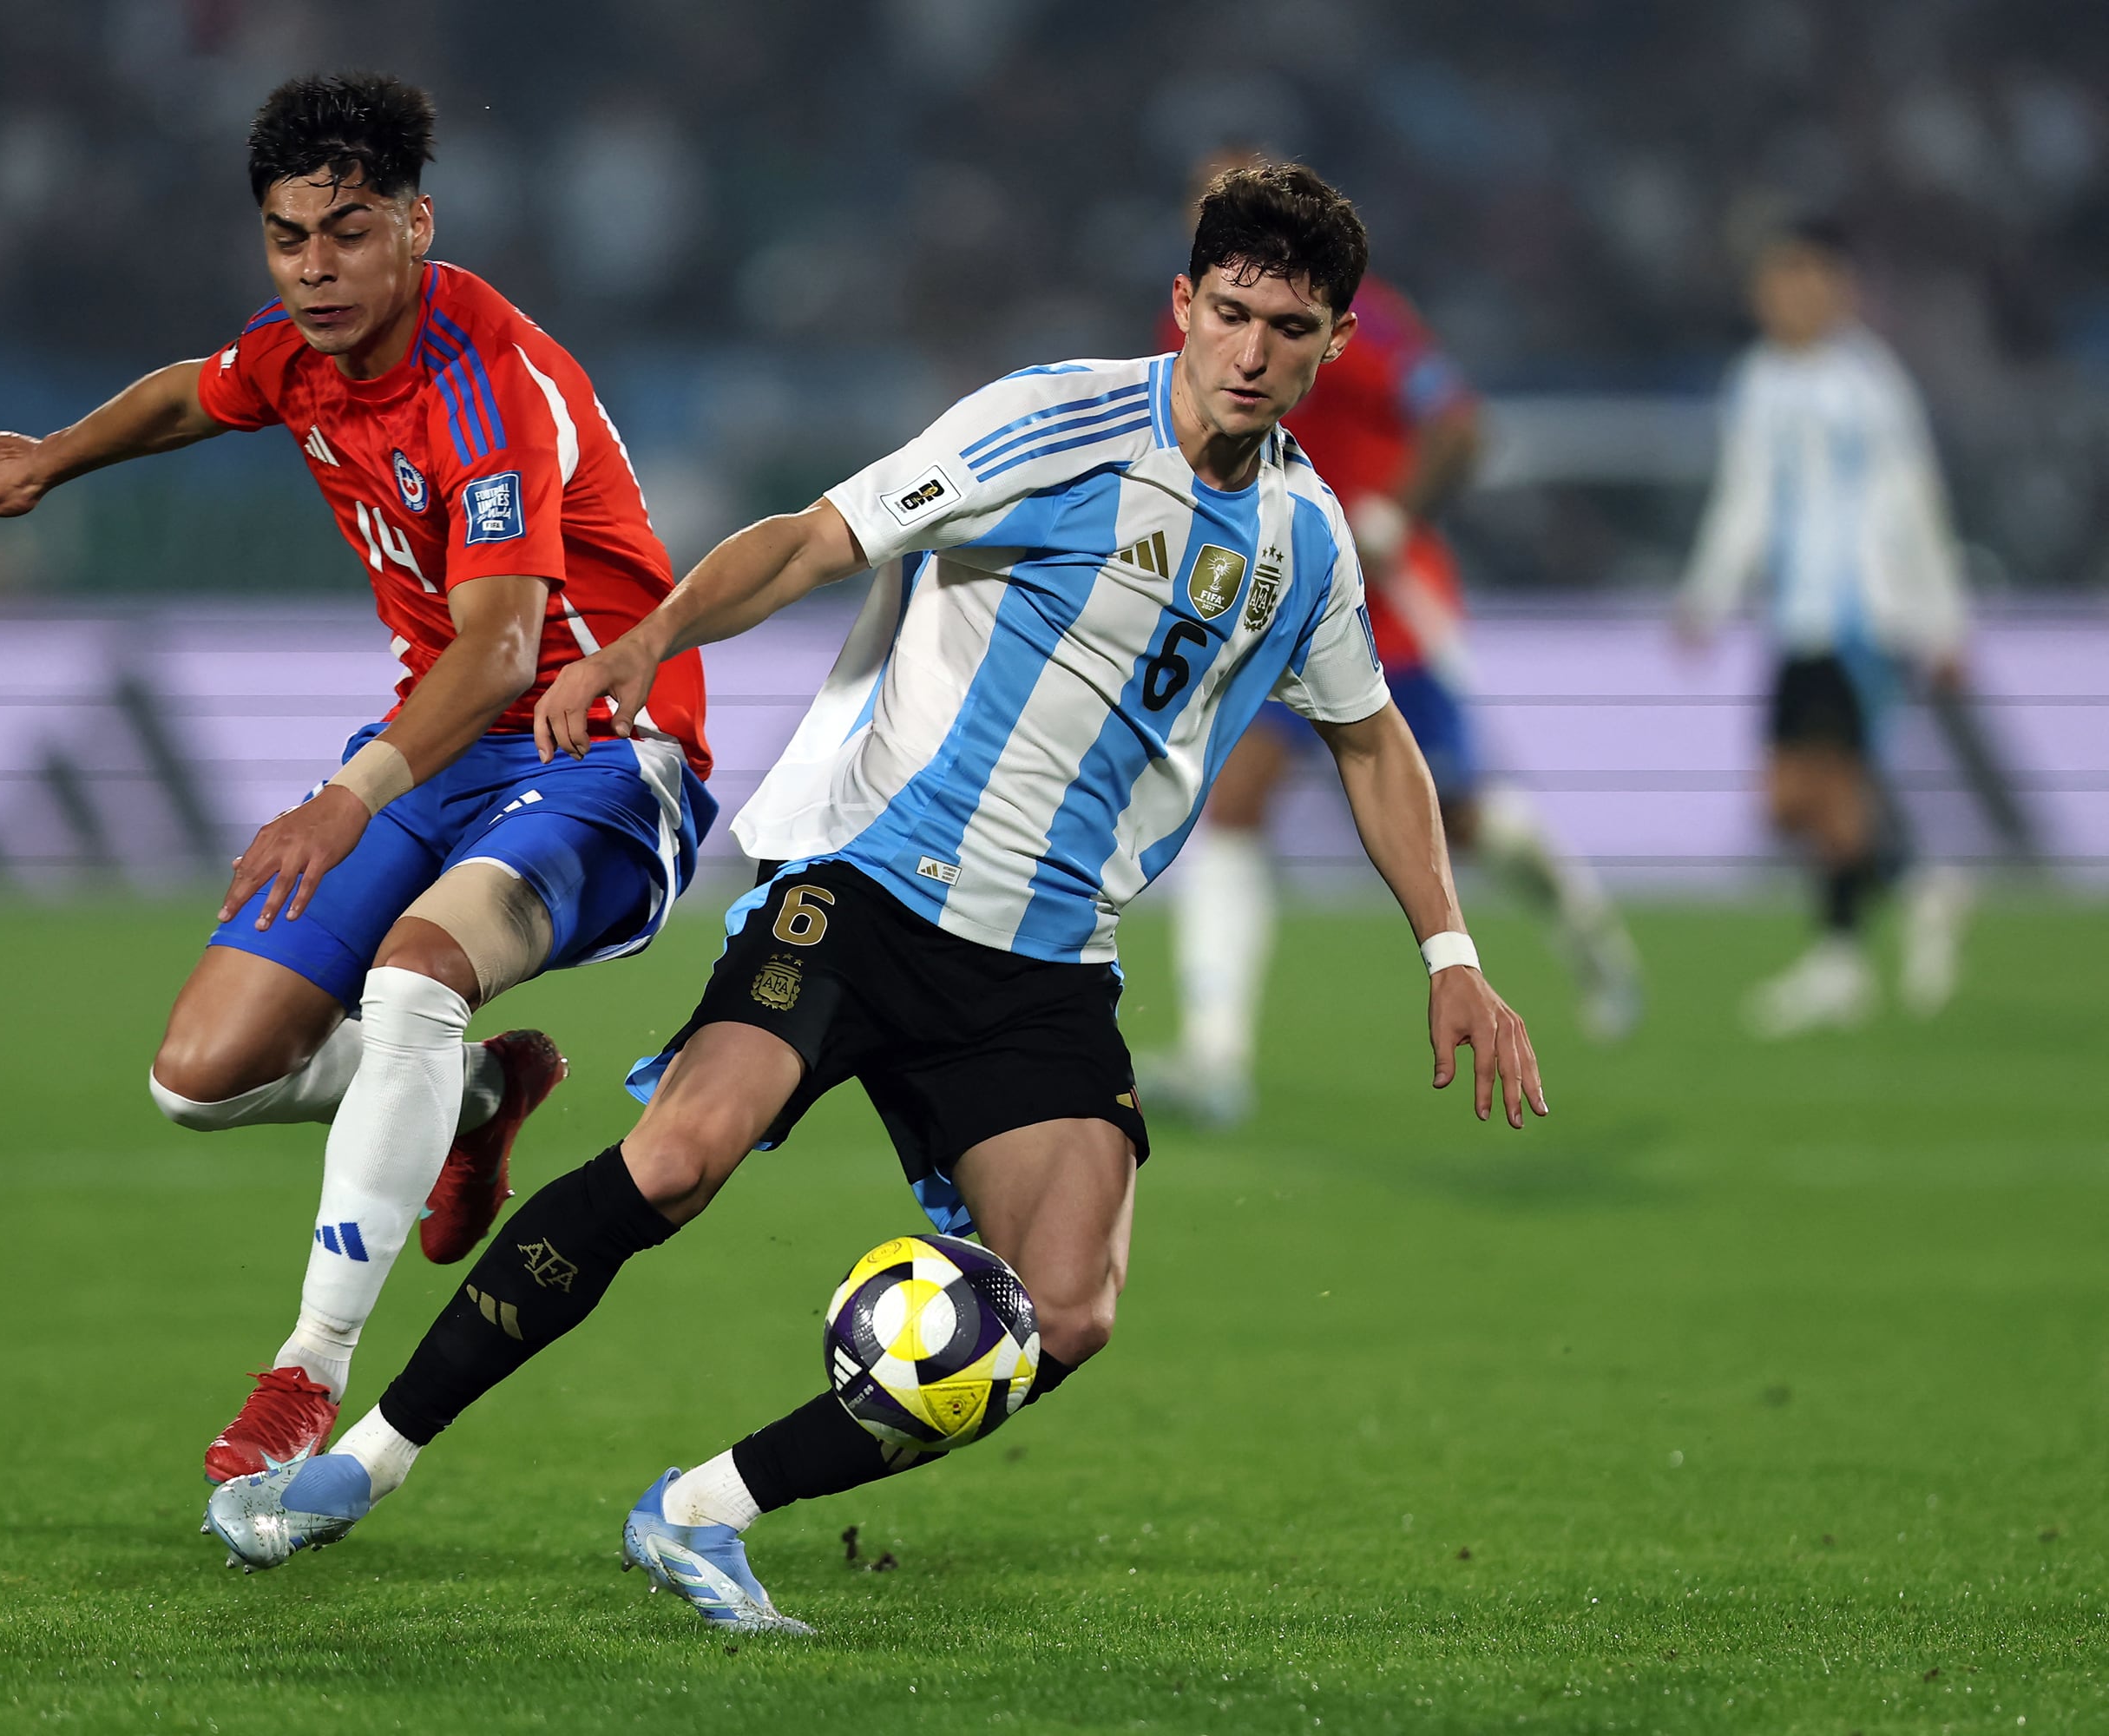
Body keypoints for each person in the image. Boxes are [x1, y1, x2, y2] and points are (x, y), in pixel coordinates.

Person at [199, 162, 1547, 1632]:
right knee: (678, 1159)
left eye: (1289, 329)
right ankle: (369, 1461)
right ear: (1184, 302)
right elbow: (813, 536)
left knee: (1070, 1313)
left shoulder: (1303, 544)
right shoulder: (1057, 420)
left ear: (1335, 341)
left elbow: (1370, 738)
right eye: (1229, 313)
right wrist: (645, 642)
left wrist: (1451, 950)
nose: (1250, 353)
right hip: (868, 891)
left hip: (1042, 967)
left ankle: (703, 1511)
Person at [0, 73, 713, 1481]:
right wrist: (53, 460)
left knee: (410, 979)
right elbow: (190, 396)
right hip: (441, 745)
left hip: (600, 749)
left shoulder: (483, 385)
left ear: (416, 225)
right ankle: (466, 1101)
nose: (315, 268)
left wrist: (350, 796)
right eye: (288, 238)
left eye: (346, 232)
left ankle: (306, 1370)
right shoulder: (299, 354)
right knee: (200, 1079)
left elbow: (509, 643)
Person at [1147, 158, 1639, 1128]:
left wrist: (1389, 517)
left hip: (1385, 613)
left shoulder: (1342, 316)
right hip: (1263, 609)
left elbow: (1459, 425)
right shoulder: (1195, 325)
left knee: (1463, 824)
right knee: (1236, 800)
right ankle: (1216, 1055)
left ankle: (1584, 922)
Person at [1677, 220, 1973, 1036]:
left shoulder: (1871, 384)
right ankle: (1917, 888)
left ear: (1838, 288)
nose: (1784, 296)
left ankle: (1840, 963)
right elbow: (1745, 500)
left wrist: (1945, 621)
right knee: (1788, 801)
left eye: (1802, 279)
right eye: (1774, 281)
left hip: (1863, 616)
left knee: (1828, 791)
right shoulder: (1759, 381)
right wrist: (1709, 593)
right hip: (1796, 615)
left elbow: (1919, 501)